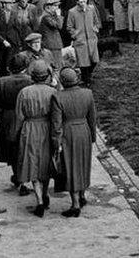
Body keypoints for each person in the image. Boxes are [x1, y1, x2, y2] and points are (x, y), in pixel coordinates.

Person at [51, 67, 97, 217]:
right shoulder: (87, 94)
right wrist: (93, 136)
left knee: (70, 167)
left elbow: (56, 124)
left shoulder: (58, 97)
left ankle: (75, 204)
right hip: (84, 131)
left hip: (68, 133)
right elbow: (92, 118)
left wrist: (56, 143)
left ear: (63, 82)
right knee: (83, 163)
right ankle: (82, 195)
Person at [14, 59, 57, 217]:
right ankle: (45, 194)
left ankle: (39, 200)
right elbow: (57, 116)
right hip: (46, 129)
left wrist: (17, 134)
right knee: (46, 163)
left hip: (30, 129)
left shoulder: (24, 92)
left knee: (32, 163)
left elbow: (19, 116)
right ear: (46, 76)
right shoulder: (53, 92)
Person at [0, 52, 34, 194]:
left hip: (8, 118)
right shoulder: (30, 81)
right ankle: (23, 179)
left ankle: (18, 177)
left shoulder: (2, 82)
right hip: (27, 118)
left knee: (12, 150)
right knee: (25, 149)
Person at [66, 0, 101, 86]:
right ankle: (86, 79)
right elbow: (69, 27)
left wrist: (95, 29)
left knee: (94, 60)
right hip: (80, 40)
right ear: (77, 2)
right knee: (83, 62)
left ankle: (87, 76)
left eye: (84, 1)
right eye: (80, 2)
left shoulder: (91, 9)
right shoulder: (72, 12)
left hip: (91, 39)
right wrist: (75, 34)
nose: (83, 3)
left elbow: (96, 21)